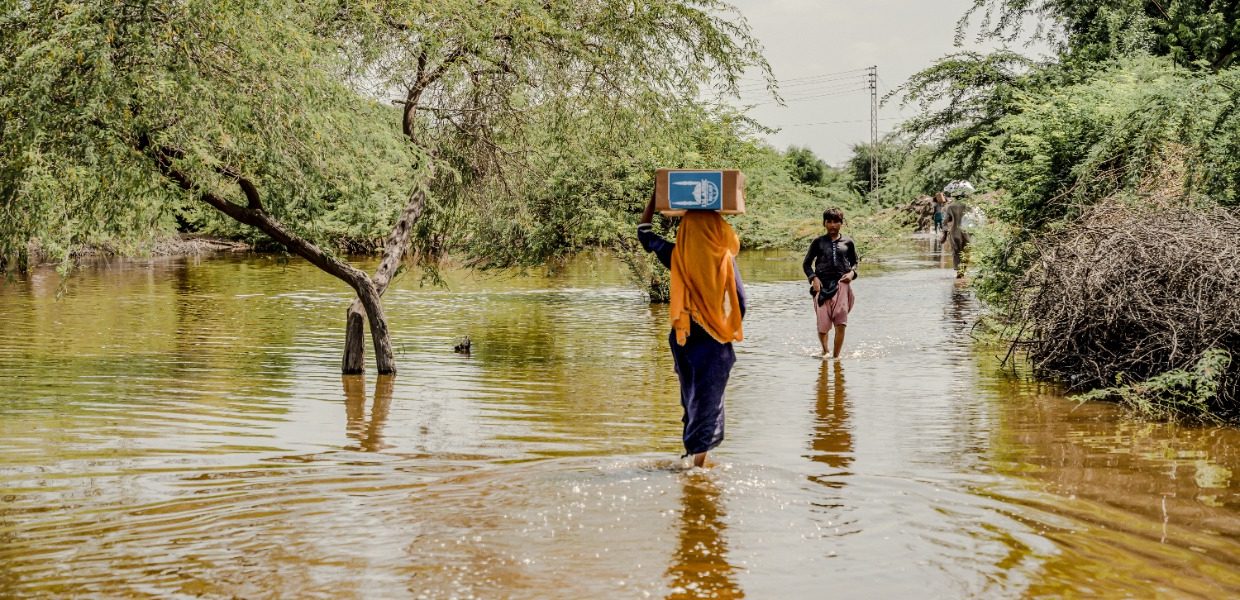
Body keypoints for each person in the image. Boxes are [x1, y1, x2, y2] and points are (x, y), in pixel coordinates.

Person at [638, 193, 746, 469]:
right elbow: (740, 302)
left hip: (683, 337)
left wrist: (655, 197)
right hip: (712, 339)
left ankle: (690, 457)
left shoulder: (677, 255)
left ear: (686, 230)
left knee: (691, 397)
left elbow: (644, 233)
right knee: (710, 400)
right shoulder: (724, 260)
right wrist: (725, 325)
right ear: (718, 229)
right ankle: (697, 468)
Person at [802, 208, 858, 360]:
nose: (833, 225)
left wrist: (852, 273)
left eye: (836, 222)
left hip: (842, 285)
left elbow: (855, 263)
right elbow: (806, 264)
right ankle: (825, 350)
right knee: (823, 326)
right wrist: (813, 278)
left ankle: (836, 358)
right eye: (829, 222)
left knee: (841, 323)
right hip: (821, 287)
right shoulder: (818, 242)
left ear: (841, 223)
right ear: (824, 223)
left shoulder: (848, 242)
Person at [939, 196, 969, 278]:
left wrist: (944, 235)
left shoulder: (950, 206)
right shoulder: (968, 205)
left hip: (955, 232)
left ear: (955, 196)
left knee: (956, 252)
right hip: (966, 231)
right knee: (965, 251)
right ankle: (962, 271)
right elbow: (973, 219)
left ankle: (958, 272)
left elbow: (945, 221)